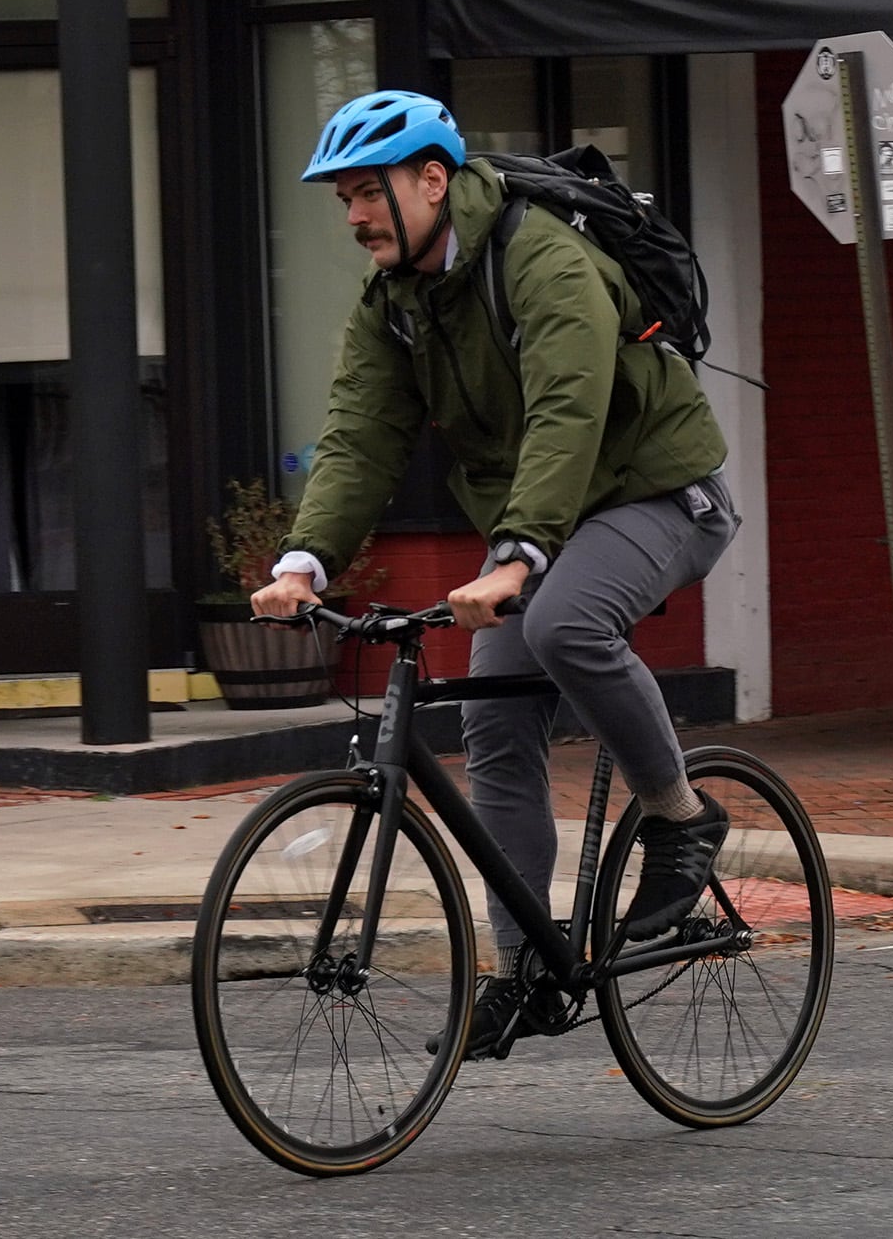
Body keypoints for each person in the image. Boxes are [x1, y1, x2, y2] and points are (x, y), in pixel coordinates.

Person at [249, 88, 738, 1061]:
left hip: (661, 492)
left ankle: (682, 817)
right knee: (494, 720)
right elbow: (359, 432)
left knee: (563, 626)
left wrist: (518, 552)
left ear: (433, 177)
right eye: (342, 198)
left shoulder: (542, 259)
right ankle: (525, 970)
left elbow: (568, 408)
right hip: (545, 521)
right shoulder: (395, 301)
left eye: (368, 191)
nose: (353, 216)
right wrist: (307, 558)